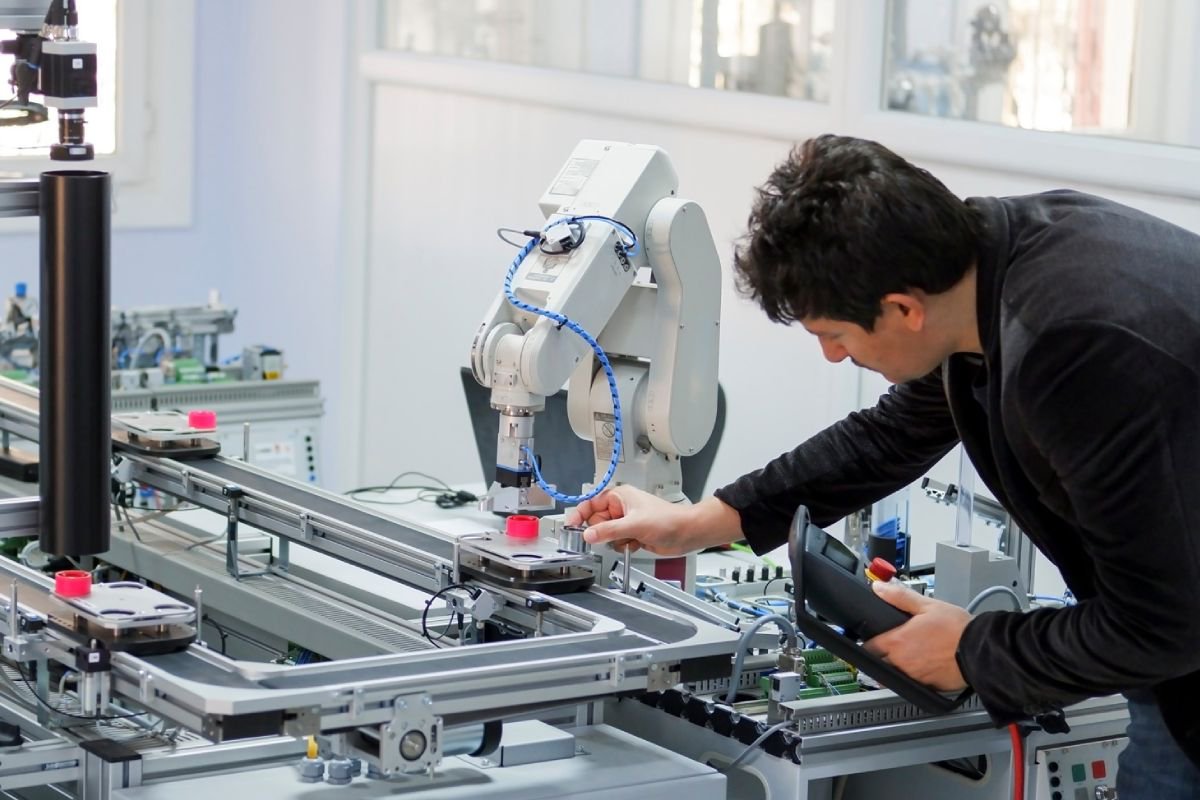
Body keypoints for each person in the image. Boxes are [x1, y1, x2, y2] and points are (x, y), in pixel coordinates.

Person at [567, 135, 1200, 796]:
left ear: (903, 309)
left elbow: (1164, 622)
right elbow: (892, 433)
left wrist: (970, 650)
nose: (834, 359)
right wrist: (702, 520)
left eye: (834, 336)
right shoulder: (982, 263)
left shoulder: (1074, 349)